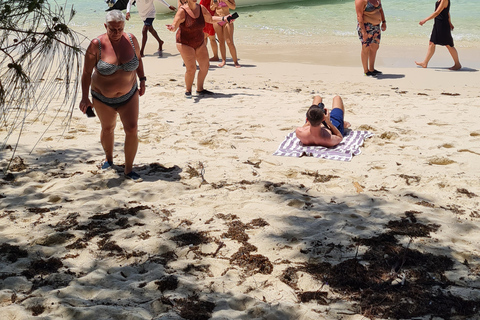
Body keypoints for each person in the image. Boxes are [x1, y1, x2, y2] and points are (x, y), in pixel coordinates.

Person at [79, 10, 145, 181]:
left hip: (129, 94)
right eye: (112, 29)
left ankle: (129, 170)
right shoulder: (96, 44)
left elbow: (138, 59)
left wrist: (143, 79)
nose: (116, 33)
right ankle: (109, 159)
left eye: (120, 29)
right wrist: (85, 97)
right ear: (105, 26)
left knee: (132, 129)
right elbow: (86, 73)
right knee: (108, 128)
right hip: (102, 97)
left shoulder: (131, 40)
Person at [167, 0, 228, 98]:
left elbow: (210, 19)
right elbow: (175, 24)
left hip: (199, 41)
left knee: (205, 66)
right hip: (184, 43)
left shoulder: (201, 8)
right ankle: (188, 90)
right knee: (191, 68)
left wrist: (224, 18)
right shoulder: (182, 11)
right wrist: (172, 28)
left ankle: (200, 89)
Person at [415, 0, 461, 70]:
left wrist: (425, 20)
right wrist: (450, 22)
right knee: (432, 43)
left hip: (442, 25)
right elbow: (447, 12)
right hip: (438, 24)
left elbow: (437, 12)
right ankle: (425, 63)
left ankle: (457, 64)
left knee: (448, 44)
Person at [355, 0, 386, 76]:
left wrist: (384, 22)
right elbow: (359, 16)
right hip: (366, 27)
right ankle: (366, 71)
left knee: (375, 46)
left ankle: (371, 69)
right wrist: (363, 32)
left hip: (376, 27)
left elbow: (381, 10)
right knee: (366, 47)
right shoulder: (361, 1)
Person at [211, 0, 240, 68]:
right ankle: (223, 60)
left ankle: (235, 61)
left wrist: (226, 1)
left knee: (230, 42)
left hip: (227, 19)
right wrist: (214, 5)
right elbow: (211, 8)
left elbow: (233, 7)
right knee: (221, 41)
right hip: (217, 19)